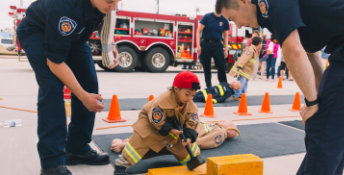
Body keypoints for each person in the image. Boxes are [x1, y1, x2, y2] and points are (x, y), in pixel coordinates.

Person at [216, 0, 344, 174]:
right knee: (334, 127)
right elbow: (309, 52)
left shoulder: (271, 3)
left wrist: (312, 103)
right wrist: (317, 99)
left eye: (234, 18)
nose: (239, 25)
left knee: (325, 129)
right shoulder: (270, 16)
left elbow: (294, 51)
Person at [16, 0, 120, 174]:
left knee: (89, 83)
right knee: (52, 88)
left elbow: (107, 23)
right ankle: (51, 163)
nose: (114, 7)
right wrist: (82, 96)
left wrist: (111, 46)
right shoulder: (65, 7)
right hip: (37, 30)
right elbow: (55, 62)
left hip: (73, 39)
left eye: (117, 1)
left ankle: (77, 148)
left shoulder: (101, 5)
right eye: (110, 1)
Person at [113, 71, 202, 175]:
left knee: (189, 150)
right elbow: (157, 120)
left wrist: (189, 137)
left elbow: (192, 122)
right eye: (187, 94)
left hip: (175, 131)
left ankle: (190, 159)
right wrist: (172, 130)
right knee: (138, 143)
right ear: (176, 89)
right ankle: (121, 165)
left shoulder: (189, 105)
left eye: (193, 95)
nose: (190, 98)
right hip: (151, 125)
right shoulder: (162, 101)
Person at [111, 120, 241, 153]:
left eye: (228, 122)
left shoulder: (220, 133)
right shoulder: (214, 126)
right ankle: (128, 142)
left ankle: (125, 145)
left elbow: (204, 141)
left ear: (228, 131)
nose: (225, 120)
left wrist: (188, 143)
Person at [196, 11, 230, 88]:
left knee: (221, 65)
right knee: (206, 66)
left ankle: (224, 86)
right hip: (206, 44)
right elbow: (199, 31)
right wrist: (198, 45)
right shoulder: (207, 17)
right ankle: (209, 87)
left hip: (217, 44)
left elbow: (225, 35)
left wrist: (226, 49)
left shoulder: (224, 19)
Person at [229, 36, 262, 101]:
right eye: (261, 43)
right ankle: (236, 94)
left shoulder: (254, 49)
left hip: (247, 71)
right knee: (241, 82)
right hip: (244, 70)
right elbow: (244, 58)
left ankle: (242, 94)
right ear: (259, 43)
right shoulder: (251, 50)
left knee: (245, 82)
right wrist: (240, 66)